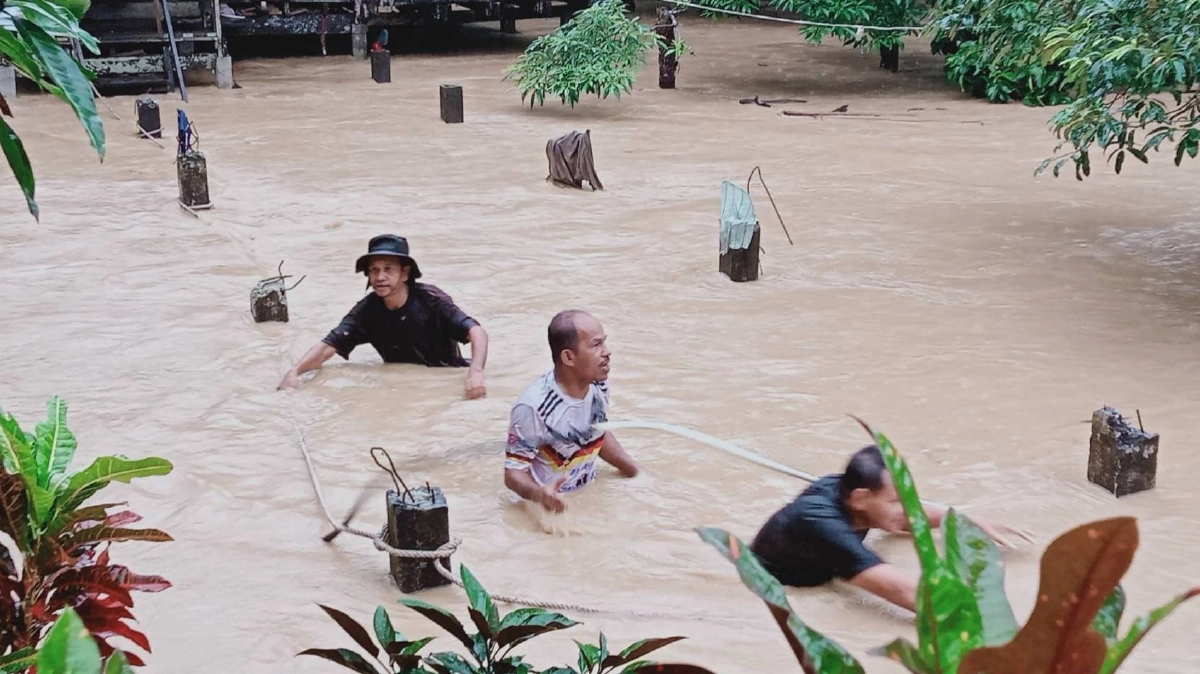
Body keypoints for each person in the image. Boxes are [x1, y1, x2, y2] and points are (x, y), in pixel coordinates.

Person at [750, 445, 1028, 612]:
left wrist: (960, 520)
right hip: (768, 587)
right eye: (896, 501)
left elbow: (901, 519)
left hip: (817, 565)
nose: (905, 508)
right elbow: (907, 594)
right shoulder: (819, 525)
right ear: (860, 497)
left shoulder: (846, 491)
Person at [277, 234, 488, 398]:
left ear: (404, 273)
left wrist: (476, 372)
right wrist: (295, 372)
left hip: (447, 376)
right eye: (374, 270)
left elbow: (477, 332)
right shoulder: (367, 312)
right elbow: (327, 347)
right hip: (401, 384)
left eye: (388, 269)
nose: (380, 277)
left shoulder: (431, 301)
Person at [504, 310, 639, 513]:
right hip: (549, 508)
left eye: (604, 342)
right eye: (596, 345)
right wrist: (540, 495)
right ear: (568, 357)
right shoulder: (533, 407)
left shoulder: (598, 385)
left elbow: (597, 432)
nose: (607, 351)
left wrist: (637, 472)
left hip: (586, 495)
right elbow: (514, 473)